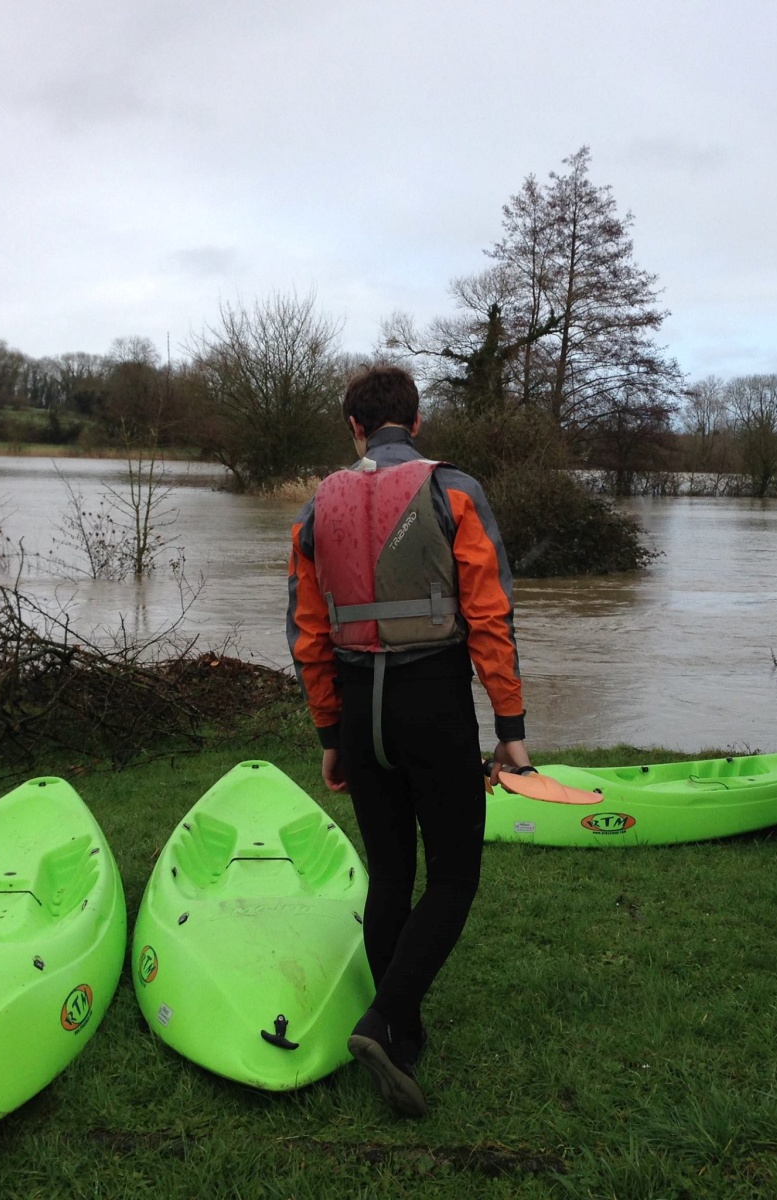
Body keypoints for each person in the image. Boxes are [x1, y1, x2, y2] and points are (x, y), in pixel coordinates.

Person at [286, 365, 531, 1117]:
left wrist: (331, 731)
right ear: (415, 422)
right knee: (453, 879)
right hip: (432, 705)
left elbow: (307, 633)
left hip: (362, 712)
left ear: (352, 427)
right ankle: (384, 1020)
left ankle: (403, 1027)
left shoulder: (314, 507)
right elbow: (490, 615)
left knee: (391, 877)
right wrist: (511, 729)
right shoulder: (453, 489)